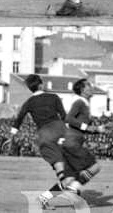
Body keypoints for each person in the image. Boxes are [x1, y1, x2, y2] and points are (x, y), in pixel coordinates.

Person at [39, 78, 104, 208]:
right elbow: (69, 119)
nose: (91, 88)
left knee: (68, 180)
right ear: (82, 90)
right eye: (88, 86)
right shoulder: (80, 102)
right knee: (95, 167)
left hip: (69, 144)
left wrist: (97, 130)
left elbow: (78, 126)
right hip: (72, 143)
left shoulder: (84, 103)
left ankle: (44, 198)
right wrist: (90, 128)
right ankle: (73, 191)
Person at [9, 74, 69, 202]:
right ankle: (69, 195)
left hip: (44, 137)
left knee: (63, 173)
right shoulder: (54, 97)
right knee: (70, 174)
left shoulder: (29, 102)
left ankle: (45, 198)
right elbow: (64, 116)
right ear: (41, 84)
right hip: (60, 133)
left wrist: (12, 136)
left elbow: (19, 119)